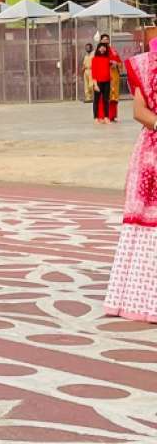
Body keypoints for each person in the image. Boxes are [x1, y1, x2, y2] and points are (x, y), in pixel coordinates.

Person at [105, 37, 157, 323]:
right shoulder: (146, 64)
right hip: (153, 154)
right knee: (149, 224)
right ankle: (144, 299)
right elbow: (139, 112)